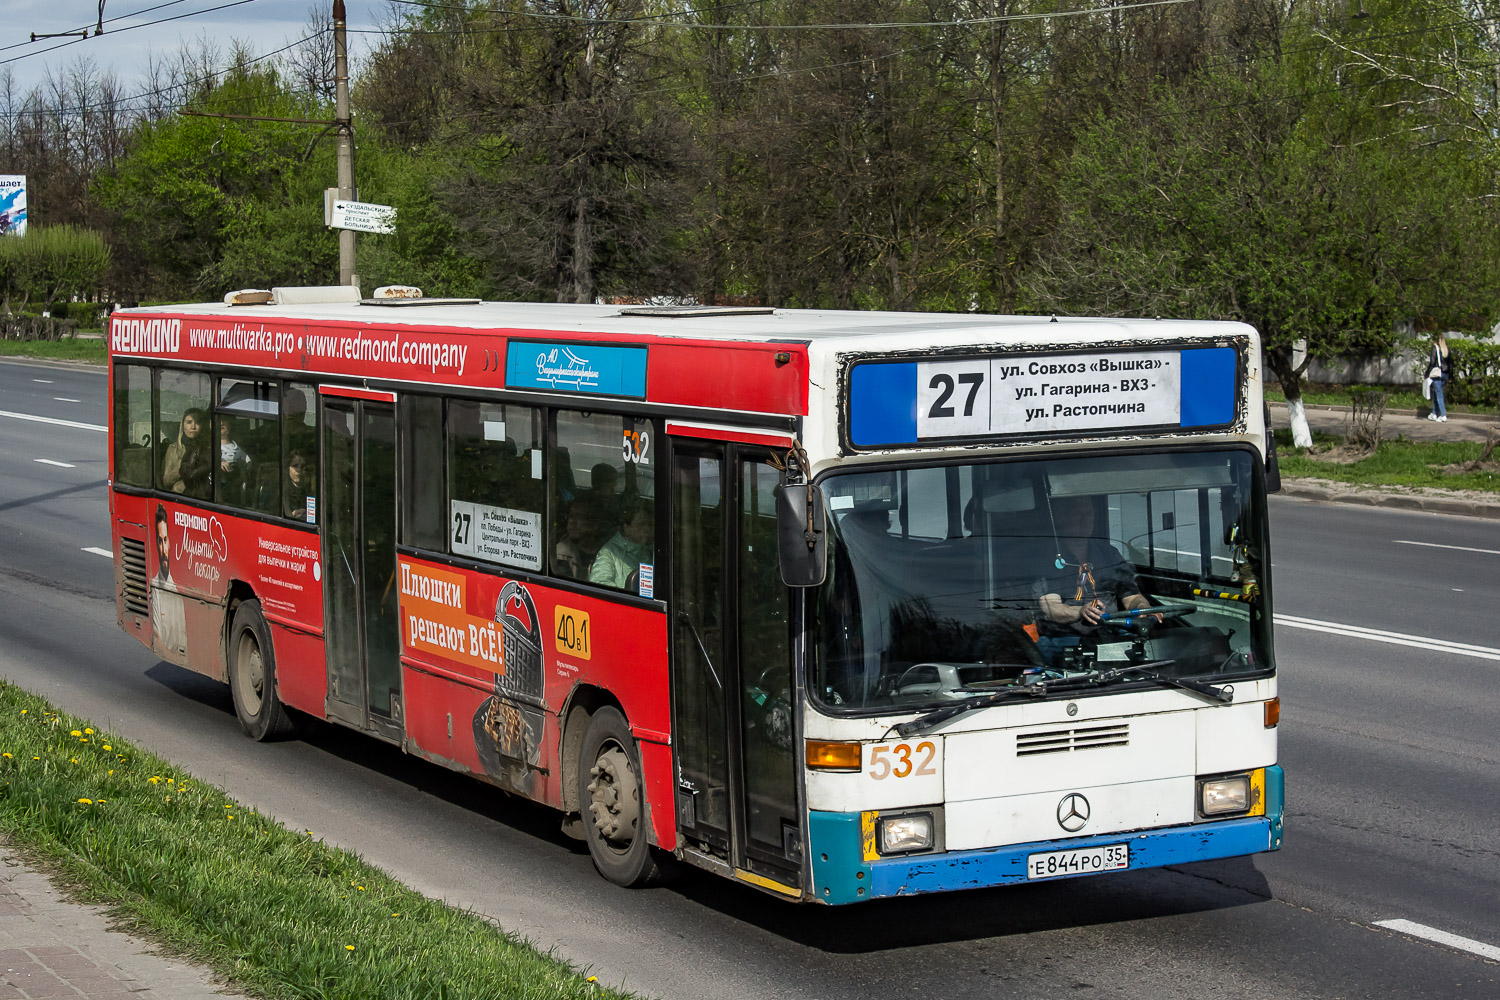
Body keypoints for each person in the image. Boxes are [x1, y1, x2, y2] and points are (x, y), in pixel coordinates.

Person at [1036, 494, 1157, 632]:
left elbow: (1132, 596)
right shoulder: (1047, 558)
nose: (1085, 519)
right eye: (1077, 514)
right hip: (1065, 639)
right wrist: (1081, 611)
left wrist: (1142, 608)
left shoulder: (1109, 553)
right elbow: (1050, 608)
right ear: (1060, 518)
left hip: (1112, 633)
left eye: (1088, 512)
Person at [589, 496, 654, 590]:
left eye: (650, 525)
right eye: (641, 524)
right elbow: (599, 583)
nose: (646, 529)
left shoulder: (653, 551)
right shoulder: (610, 552)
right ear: (627, 528)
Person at [150, 504, 187, 655]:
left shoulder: (178, 594)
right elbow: (157, 641)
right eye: (160, 541)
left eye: (165, 540)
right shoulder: (155, 589)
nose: (163, 549)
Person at [554, 494, 606, 580]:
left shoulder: (608, 552)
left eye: (579, 517)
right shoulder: (562, 555)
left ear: (595, 523)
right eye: (571, 516)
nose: (572, 521)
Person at [161, 407, 210, 497]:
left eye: (198, 422)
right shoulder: (173, 449)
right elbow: (166, 481)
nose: (193, 427)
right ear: (183, 425)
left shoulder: (208, 447)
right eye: (189, 422)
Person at [1426, 332, 1452, 423]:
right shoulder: (1447, 349)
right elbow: (1450, 364)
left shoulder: (1435, 348)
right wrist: (1450, 376)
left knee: (1439, 394)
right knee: (1437, 393)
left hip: (1437, 374)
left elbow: (1432, 362)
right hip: (1445, 374)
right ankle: (1433, 413)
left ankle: (1443, 414)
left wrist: (1426, 374)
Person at [283, 450, 313, 521]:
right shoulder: (282, 491)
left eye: (302, 466)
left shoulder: (311, 488)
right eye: (295, 466)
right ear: (288, 468)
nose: (299, 470)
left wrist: (305, 513)